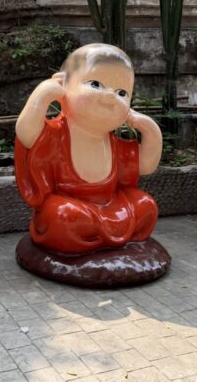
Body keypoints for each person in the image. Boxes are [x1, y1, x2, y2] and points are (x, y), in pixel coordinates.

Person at [14, 44, 162, 254]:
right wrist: (45, 92)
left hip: (112, 206)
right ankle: (89, 239)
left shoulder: (115, 145)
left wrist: (149, 127)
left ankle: (101, 240)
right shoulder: (55, 136)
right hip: (71, 207)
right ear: (62, 84)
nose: (110, 96)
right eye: (95, 84)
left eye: (121, 92)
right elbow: (26, 134)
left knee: (146, 206)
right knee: (62, 216)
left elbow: (146, 166)